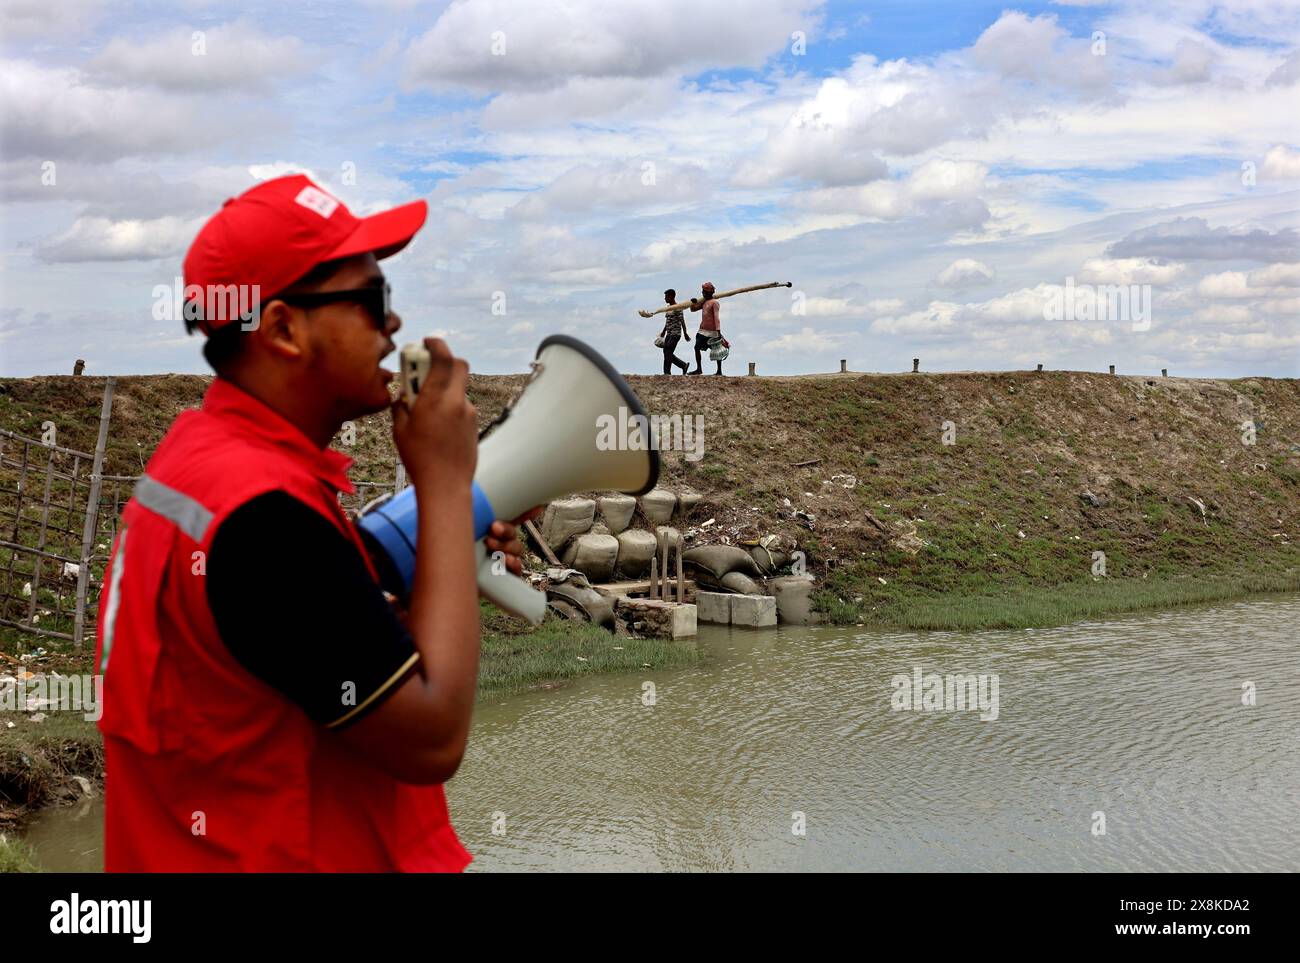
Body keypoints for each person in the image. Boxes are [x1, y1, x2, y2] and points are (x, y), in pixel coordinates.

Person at [93, 173, 536, 872]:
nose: (392, 325)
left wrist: (448, 541)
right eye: (371, 301)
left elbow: (303, 613)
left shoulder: (205, 465)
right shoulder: (263, 520)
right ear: (282, 328)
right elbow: (432, 737)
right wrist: (447, 491)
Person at [688, 280, 724, 375]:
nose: (703, 293)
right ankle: (699, 368)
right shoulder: (704, 302)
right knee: (696, 348)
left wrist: (718, 332)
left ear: (710, 292)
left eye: (705, 292)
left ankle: (719, 371)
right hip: (702, 331)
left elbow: (716, 318)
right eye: (702, 291)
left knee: (717, 351)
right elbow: (693, 309)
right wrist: (693, 303)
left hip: (712, 332)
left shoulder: (714, 303)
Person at [657, 288, 690, 375]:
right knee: (666, 352)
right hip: (669, 333)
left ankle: (667, 372)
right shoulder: (668, 308)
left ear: (671, 297)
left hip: (675, 334)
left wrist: (685, 333)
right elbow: (667, 321)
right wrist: (664, 331)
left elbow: (682, 320)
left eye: (666, 297)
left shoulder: (678, 307)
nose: (665, 299)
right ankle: (683, 366)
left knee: (667, 351)